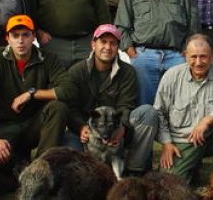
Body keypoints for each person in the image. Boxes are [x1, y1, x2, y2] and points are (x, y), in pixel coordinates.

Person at [56, 24, 158, 174]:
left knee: (148, 113)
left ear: (118, 47)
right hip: (85, 131)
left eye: (113, 43)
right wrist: (80, 127)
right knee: (72, 155)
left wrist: (121, 128)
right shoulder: (77, 70)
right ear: (93, 44)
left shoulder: (127, 71)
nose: (108, 47)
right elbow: (70, 106)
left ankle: (133, 170)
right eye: (103, 42)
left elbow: (126, 105)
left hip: (115, 128)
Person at [0, 14, 70, 166]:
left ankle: (42, 167)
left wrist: (32, 94)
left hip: (33, 126)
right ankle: (18, 166)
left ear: (33, 37)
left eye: (25, 35)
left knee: (59, 107)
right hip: (5, 127)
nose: (20, 40)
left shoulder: (48, 59)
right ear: (7, 38)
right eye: (15, 35)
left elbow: (67, 89)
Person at [155, 34, 213, 184]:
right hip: (183, 141)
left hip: (212, 136)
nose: (198, 62)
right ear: (185, 56)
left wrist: (209, 119)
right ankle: (193, 167)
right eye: (193, 57)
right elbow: (158, 113)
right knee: (169, 184)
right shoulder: (171, 76)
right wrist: (166, 144)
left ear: (212, 56)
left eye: (204, 57)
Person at [116, 0, 200, 106]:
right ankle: (147, 132)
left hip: (177, 56)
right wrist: (132, 53)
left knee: (178, 104)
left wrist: (186, 51)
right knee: (144, 106)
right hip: (143, 56)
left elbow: (194, 23)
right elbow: (121, 25)